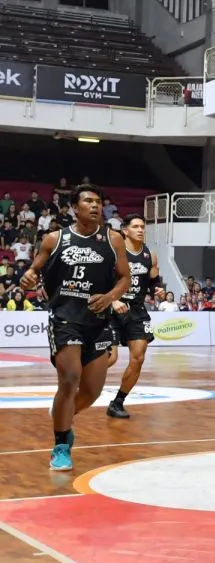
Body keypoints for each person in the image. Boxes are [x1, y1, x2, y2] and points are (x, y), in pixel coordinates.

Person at [20, 184, 131, 471]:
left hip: (98, 322)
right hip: (65, 318)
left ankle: (62, 414)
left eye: (98, 202)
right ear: (74, 208)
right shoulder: (54, 239)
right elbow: (34, 270)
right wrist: (28, 276)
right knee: (70, 379)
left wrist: (110, 297)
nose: (95, 206)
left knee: (92, 392)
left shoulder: (113, 239)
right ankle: (60, 445)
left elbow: (125, 279)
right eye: (88, 201)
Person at [106, 214, 164, 419]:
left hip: (137, 310)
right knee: (110, 358)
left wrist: (158, 290)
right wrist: (113, 300)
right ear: (125, 230)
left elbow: (154, 280)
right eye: (136, 226)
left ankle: (117, 402)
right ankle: (80, 377)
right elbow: (99, 280)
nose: (140, 230)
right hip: (111, 308)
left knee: (138, 357)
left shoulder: (150, 255)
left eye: (142, 227)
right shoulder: (114, 252)